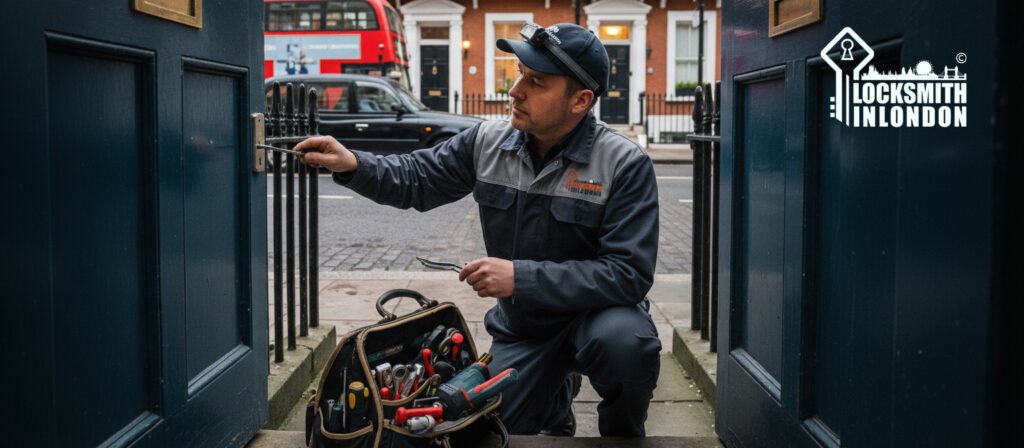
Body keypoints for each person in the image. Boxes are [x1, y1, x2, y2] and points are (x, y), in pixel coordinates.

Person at [295, 22, 661, 437]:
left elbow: (628, 275)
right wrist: (354, 164)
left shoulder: (623, 163)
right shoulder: (488, 142)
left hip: (596, 318)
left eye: (536, 82)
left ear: (580, 100)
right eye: (520, 74)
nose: (516, 90)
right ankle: (554, 401)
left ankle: (622, 435)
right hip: (525, 328)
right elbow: (417, 177)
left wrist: (518, 277)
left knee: (627, 344)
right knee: (486, 431)